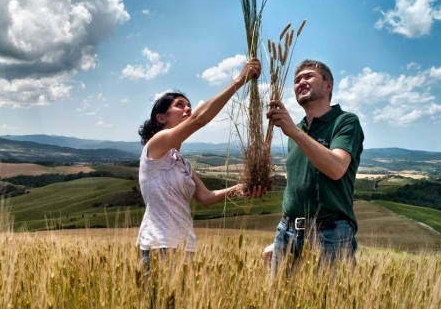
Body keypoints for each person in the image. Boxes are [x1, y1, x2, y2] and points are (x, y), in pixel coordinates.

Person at [136, 58, 264, 272]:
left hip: (185, 245)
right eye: (180, 105)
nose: (187, 109)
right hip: (160, 244)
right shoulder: (155, 147)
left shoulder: (183, 163)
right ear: (161, 117)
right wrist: (240, 80)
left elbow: (205, 197)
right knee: (157, 304)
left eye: (189, 105)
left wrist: (239, 188)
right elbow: (198, 120)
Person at [262, 59, 364, 271]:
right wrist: (283, 236)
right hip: (288, 232)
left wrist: (295, 132)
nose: (301, 82)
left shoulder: (345, 121)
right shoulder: (296, 130)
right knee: (278, 303)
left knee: (329, 304)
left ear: (328, 86)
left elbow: (336, 168)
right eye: (297, 80)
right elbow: (299, 184)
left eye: (308, 76)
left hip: (331, 233)